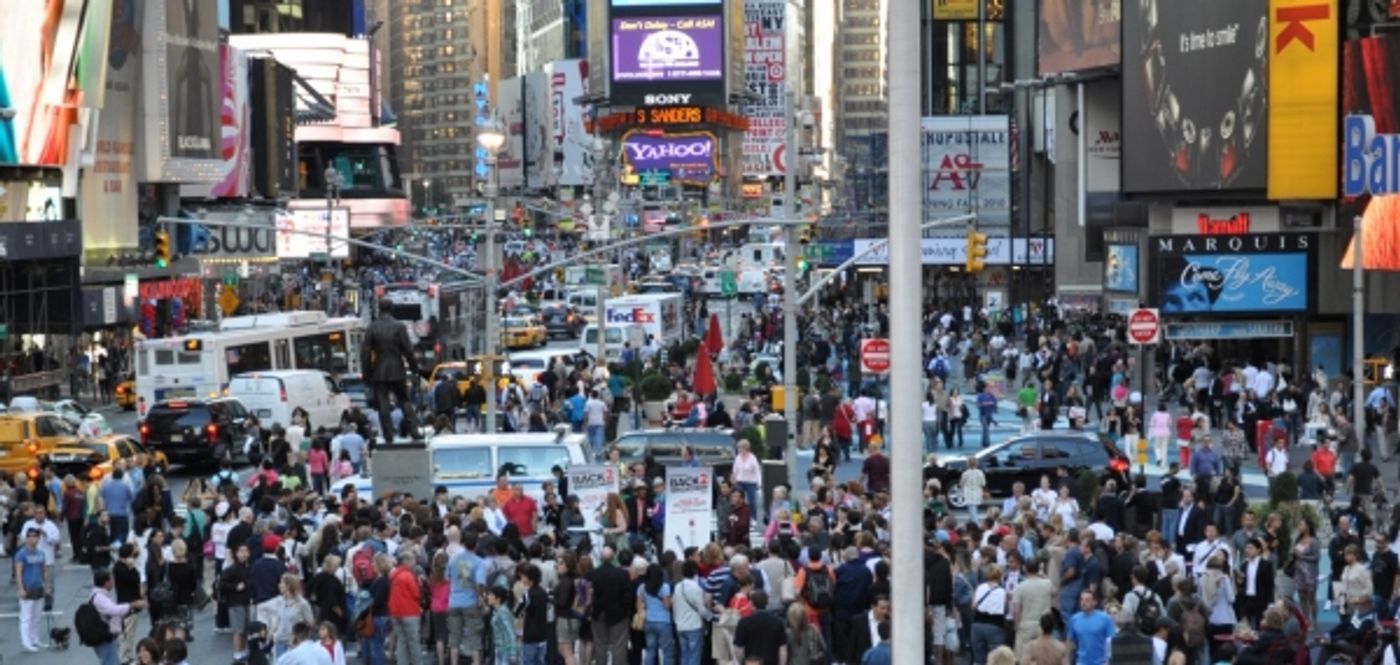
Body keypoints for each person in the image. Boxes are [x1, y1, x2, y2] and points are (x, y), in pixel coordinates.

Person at [362, 298, 423, 444]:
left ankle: (388, 435)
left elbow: (365, 353)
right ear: (392, 309)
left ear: (379, 310)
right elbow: (408, 350)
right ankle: (414, 431)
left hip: (379, 370)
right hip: (397, 369)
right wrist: (414, 367)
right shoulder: (399, 327)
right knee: (404, 401)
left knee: (383, 403)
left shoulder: (372, 328)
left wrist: (367, 372)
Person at [91, 568, 148, 665]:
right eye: (111, 580)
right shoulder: (100, 598)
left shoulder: (98, 594)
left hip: (105, 635)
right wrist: (132, 605)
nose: (113, 582)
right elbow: (114, 610)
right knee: (110, 661)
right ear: (106, 583)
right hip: (105, 637)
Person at [15, 528, 50, 652]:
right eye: (29, 536)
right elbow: (18, 572)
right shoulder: (21, 554)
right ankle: (26, 642)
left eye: (34, 536)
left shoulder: (41, 553)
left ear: (38, 538)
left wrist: (47, 585)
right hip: (27, 587)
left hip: (38, 586)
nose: (32, 538)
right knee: (26, 617)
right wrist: (21, 588)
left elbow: (44, 570)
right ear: (26, 538)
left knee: (37, 616)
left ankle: (35, 639)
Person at [732, 590, 787, 665]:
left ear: (751, 603)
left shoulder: (744, 622)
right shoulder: (778, 622)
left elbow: (738, 649)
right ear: (767, 602)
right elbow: (782, 648)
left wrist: (742, 661)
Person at [1067, 590, 1115, 665]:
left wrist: (1108, 661)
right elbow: (1070, 641)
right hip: (1082, 662)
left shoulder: (1105, 618)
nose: (1083, 602)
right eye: (1082, 599)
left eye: (1087, 600)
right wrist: (1068, 660)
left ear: (1094, 602)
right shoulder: (1074, 619)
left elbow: (1112, 641)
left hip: (1101, 662)